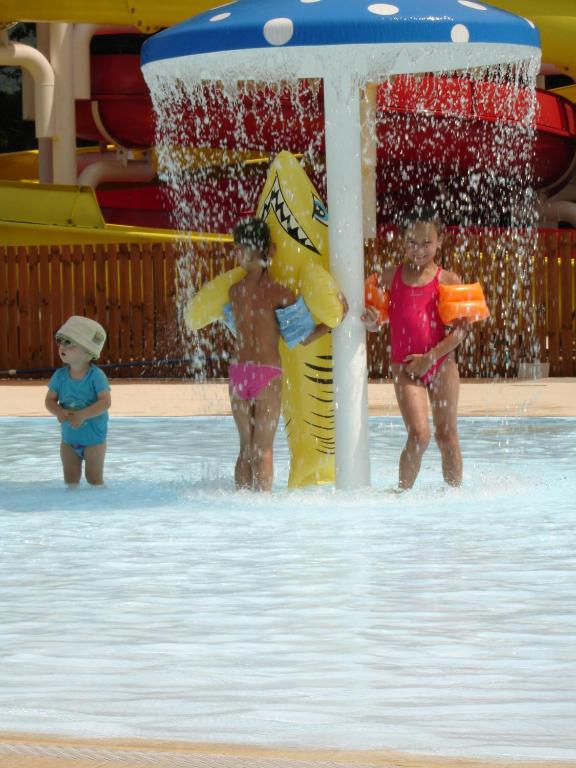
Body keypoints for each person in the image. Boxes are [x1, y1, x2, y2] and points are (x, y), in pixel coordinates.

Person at [228, 217, 347, 492]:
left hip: (238, 374)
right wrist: (332, 322)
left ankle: (240, 503)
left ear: (240, 252)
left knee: (246, 446)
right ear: (271, 250)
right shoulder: (280, 293)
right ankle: (264, 505)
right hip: (267, 374)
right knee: (264, 448)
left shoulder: (235, 292)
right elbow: (301, 338)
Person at [362, 207, 468, 489]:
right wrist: (372, 322)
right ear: (402, 240)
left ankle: (455, 500)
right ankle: (402, 494)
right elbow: (374, 322)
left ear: (440, 241)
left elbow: (460, 333)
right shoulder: (389, 277)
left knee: (447, 436)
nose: (419, 250)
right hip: (406, 366)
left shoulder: (448, 280)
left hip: (442, 364)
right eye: (412, 242)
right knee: (419, 435)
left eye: (426, 243)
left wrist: (430, 358)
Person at [45, 316, 111, 486]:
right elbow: (49, 400)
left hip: (94, 441)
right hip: (68, 440)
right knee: (70, 480)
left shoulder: (95, 377)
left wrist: (82, 415)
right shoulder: (59, 376)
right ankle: (71, 512)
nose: (61, 347)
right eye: (60, 341)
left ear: (89, 352)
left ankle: (97, 510)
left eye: (69, 342)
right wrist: (58, 411)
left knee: (94, 480)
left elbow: (105, 402)